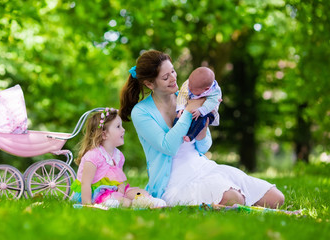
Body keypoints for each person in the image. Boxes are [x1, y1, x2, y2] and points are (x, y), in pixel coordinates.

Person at [120, 50, 285, 208]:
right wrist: (188, 112)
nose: (173, 78)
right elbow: (168, 147)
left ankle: (233, 199)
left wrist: (203, 129)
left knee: (276, 198)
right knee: (234, 198)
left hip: (203, 167)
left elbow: (203, 147)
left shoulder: (186, 97)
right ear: (149, 83)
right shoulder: (141, 112)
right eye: (165, 77)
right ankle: (231, 199)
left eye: (173, 71)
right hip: (175, 182)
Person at [71, 107, 166, 208]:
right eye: (118, 127)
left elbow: (118, 178)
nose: (123, 130)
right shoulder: (93, 156)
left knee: (138, 192)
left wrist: (121, 189)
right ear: (104, 134)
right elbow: (85, 184)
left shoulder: (119, 156)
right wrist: (87, 205)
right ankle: (123, 203)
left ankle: (148, 200)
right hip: (94, 193)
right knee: (125, 202)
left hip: (112, 190)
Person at [175, 67, 222, 142]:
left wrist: (201, 111)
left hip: (206, 112)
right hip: (190, 108)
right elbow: (182, 94)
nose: (189, 88)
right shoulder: (189, 83)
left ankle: (191, 135)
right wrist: (181, 107)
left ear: (206, 89)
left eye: (193, 89)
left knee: (201, 120)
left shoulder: (215, 91)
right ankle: (176, 129)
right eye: (189, 85)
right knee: (180, 116)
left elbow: (211, 102)